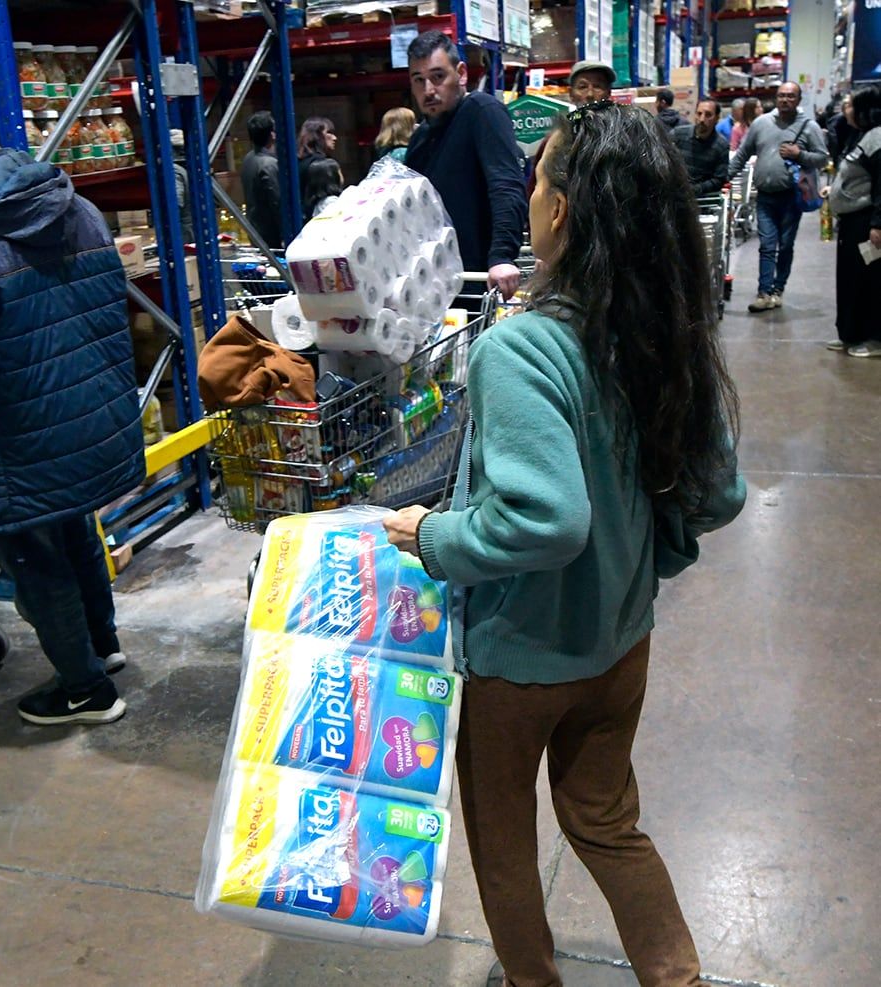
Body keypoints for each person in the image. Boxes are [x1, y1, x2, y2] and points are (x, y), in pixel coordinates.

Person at [383, 100, 745, 987]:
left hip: (519, 662)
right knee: (606, 819)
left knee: (503, 842)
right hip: (621, 644)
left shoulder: (523, 350)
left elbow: (545, 519)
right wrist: (642, 558)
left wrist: (435, 535)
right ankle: (676, 975)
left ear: (564, 211)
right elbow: (721, 492)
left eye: (538, 177)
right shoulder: (666, 331)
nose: (531, 193)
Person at [0, 84, 145, 726]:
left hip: (18, 429)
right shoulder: (78, 205)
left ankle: (84, 692)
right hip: (90, 414)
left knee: (37, 561)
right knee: (72, 532)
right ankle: (101, 649)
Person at [405, 30, 527, 299]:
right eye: (419, 80)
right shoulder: (420, 138)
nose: (428, 90)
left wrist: (502, 257)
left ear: (461, 74)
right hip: (433, 287)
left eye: (438, 77)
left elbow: (506, 185)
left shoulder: (482, 112)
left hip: (479, 284)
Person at [728, 81, 829, 311]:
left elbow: (822, 158)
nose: (785, 100)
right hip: (765, 196)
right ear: (776, 98)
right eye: (781, 96)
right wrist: (725, 177)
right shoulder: (761, 124)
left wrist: (800, 154)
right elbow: (743, 153)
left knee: (785, 245)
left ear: (798, 100)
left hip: (792, 198)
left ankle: (778, 289)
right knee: (766, 244)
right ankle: (764, 292)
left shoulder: (809, 126)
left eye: (790, 96)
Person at [827, 85, 881, 357]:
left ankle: (874, 338)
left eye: (849, 105)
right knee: (849, 279)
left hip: (866, 223)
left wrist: (878, 223)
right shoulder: (859, 135)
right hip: (850, 222)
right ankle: (850, 333)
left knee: (868, 282)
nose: (843, 109)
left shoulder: (878, 138)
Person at [526, 59, 615, 197]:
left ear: (608, 93)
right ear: (571, 94)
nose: (590, 94)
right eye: (582, 87)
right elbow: (537, 189)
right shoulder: (557, 139)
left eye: (598, 86)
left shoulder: (622, 135)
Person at [239, 110, 281, 248]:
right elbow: (277, 201)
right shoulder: (269, 165)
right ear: (272, 134)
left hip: (255, 230)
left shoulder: (248, 159)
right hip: (271, 235)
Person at [671, 98, 729, 196]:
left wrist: (696, 189)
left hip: (702, 200)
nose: (702, 119)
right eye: (699, 114)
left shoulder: (721, 146)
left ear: (717, 118)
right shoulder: (678, 135)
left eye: (708, 115)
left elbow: (719, 179)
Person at [296, 116, 337, 221]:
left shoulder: (299, 161)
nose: (334, 138)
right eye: (329, 133)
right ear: (317, 136)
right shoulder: (321, 164)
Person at [828, 92, 859, 167]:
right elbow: (834, 141)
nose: (847, 107)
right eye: (846, 104)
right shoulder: (835, 121)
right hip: (840, 156)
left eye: (850, 105)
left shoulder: (859, 124)